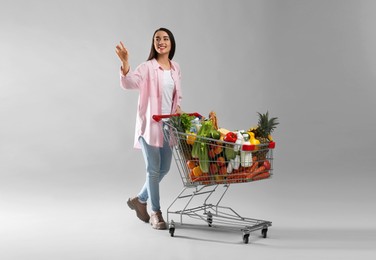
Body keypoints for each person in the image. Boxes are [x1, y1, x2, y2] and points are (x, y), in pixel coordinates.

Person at [115, 28, 183, 230]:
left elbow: (177, 95)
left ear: (171, 43)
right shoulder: (146, 68)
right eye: (157, 39)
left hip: (169, 126)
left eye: (165, 38)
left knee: (164, 168)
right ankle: (156, 213)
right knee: (153, 170)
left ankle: (140, 200)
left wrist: (178, 108)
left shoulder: (176, 68)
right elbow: (128, 83)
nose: (161, 42)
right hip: (149, 126)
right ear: (153, 44)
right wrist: (125, 63)